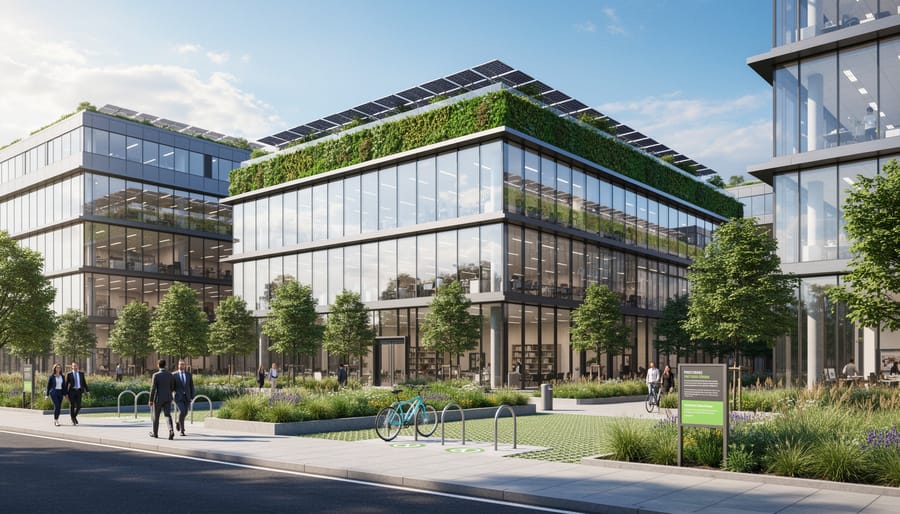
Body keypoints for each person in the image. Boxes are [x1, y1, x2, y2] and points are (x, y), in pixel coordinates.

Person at [148, 359, 176, 440]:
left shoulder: (156, 375)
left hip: (158, 399)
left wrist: (150, 400)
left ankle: (155, 433)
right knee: (167, 415)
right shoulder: (170, 375)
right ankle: (171, 430)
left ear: (158, 365)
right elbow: (172, 387)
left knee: (156, 417)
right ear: (165, 365)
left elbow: (153, 388)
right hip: (168, 398)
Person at [173, 360, 194, 437]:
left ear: (185, 365)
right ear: (178, 365)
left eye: (183, 364)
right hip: (178, 397)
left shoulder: (188, 375)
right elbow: (172, 386)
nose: (181, 366)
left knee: (185, 412)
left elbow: (191, 386)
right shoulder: (174, 375)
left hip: (187, 397)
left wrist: (192, 396)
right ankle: (182, 430)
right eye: (180, 364)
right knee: (182, 411)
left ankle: (178, 422)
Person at [65, 362, 89, 426]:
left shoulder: (81, 374)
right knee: (72, 405)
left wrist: (87, 391)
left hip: (79, 391)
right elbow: (66, 384)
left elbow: (84, 383)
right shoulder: (69, 374)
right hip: (71, 391)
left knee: (79, 406)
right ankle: (73, 420)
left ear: (78, 366)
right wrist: (66, 393)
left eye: (76, 366)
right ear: (72, 367)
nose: (75, 367)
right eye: (74, 366)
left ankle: (74, 417)